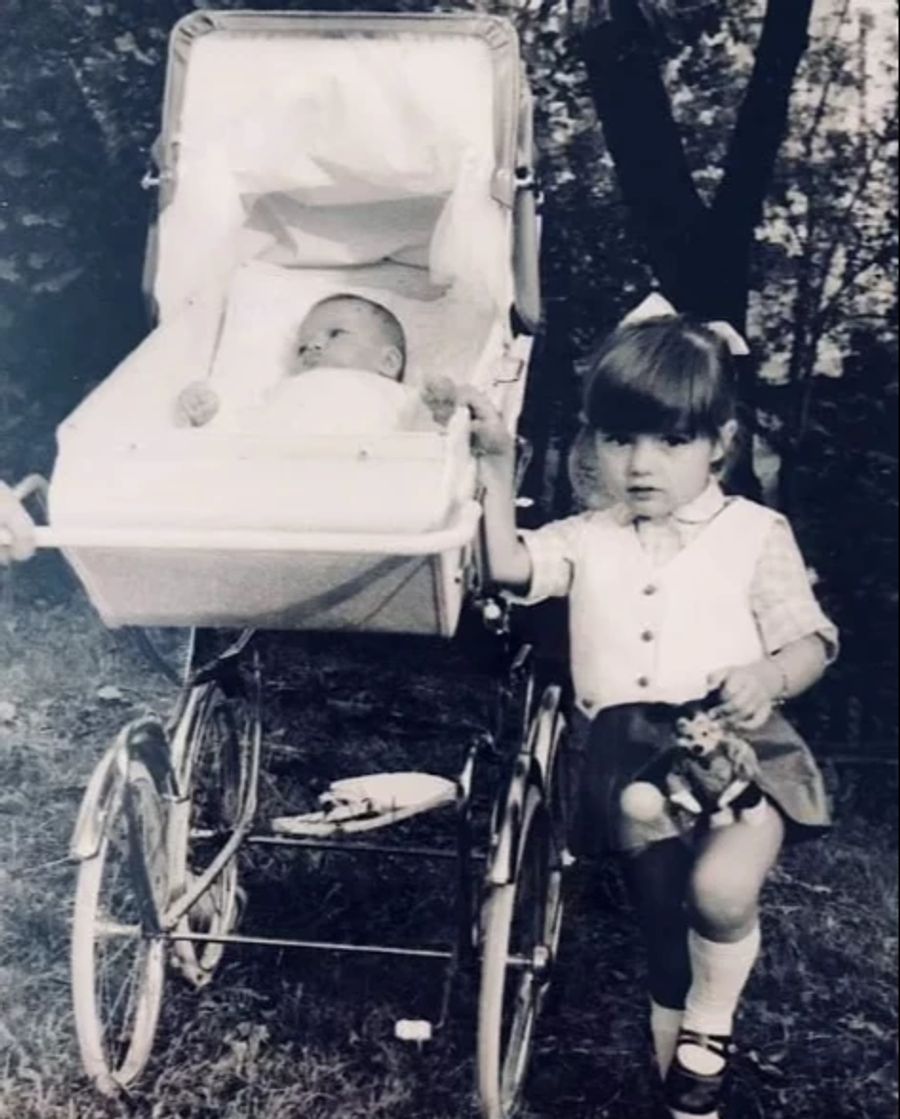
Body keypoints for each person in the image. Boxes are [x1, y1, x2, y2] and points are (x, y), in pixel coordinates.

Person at [465, 298, 837, 1119]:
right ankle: (681, 1053)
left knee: (721, 894)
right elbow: (505, 566)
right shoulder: (583, 535)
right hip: (629, 759)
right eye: (618, 438)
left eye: (672, 441)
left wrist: (768, 675)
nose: (641, 464)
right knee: (663, 912)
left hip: (741, 749)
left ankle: (710, 1021)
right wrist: (495, 467)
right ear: (591, 443)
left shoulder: (754, 531)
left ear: (720, 447)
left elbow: (811, 641)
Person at [175, 293, 456, 431]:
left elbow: (427, 443)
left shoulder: (398, 396)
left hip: (364, 477)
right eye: (302, 347)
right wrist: (209, 413)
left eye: (335, 334)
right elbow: (243, 425)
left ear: (389, 361)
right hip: (275, 473)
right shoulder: (282, 390)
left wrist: (439, 411)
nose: (315, 346)